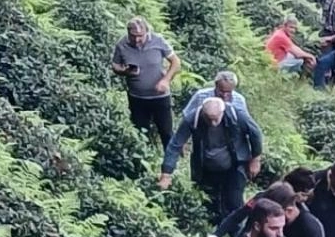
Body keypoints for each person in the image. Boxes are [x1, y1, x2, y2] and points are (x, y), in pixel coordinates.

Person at [157, 98, 263, 222]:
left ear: (222, 112)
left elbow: (255, 133)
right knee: (209, 204)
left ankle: (237, 235)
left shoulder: (237, 115)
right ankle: (215, 234)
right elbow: (175, 144)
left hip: (234, 166)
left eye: (215, 119)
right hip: (205, 168)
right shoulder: (193, 119)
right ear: (202, 113)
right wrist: (166, 173)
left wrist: (255, 158)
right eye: (209, 119)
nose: (212, 123)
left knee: (234, 202)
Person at [110, 16, 180, 146]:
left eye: (140, 36)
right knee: (141, 134)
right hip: (137, 98)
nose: (137, 40)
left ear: (147, 32)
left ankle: (170, 164)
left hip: (160, 97)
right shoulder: (122, 45)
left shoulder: (158, 41)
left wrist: (166, 80)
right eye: (133, 36)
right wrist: (125, 71)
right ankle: (145, 162)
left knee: (166, 132)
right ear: (128, 33)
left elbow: (176, 62)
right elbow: (115, 66)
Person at [207, 168, 317, 237]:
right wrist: (218, 234)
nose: (305, 199)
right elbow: (238, 215)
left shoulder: (302, 215)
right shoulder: (261, 198)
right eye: (303, 195)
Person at [179, 71, 256, 127]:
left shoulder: (239, 100)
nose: (225, 95)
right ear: (216, 85)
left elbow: (246, 122)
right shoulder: (201, 96)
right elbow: (186, 116)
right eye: (222, 91)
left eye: (228, 92)